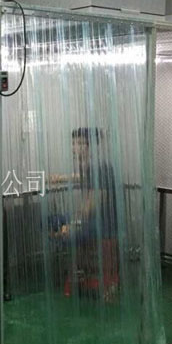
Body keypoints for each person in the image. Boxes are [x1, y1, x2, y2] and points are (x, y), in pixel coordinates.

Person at [51, 127, 118, 300]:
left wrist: (73, 224)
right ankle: (80, 269)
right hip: (91, 219)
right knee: (50, 220)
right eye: (73, 143)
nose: (74, 148)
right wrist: (60, 178)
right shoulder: (91, 166)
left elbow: (91, 205)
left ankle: (80, 271)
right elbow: (82, 177)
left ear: (91, 147)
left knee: (64, 230)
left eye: (80, 143)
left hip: (103, 224)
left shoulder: (100, 168)